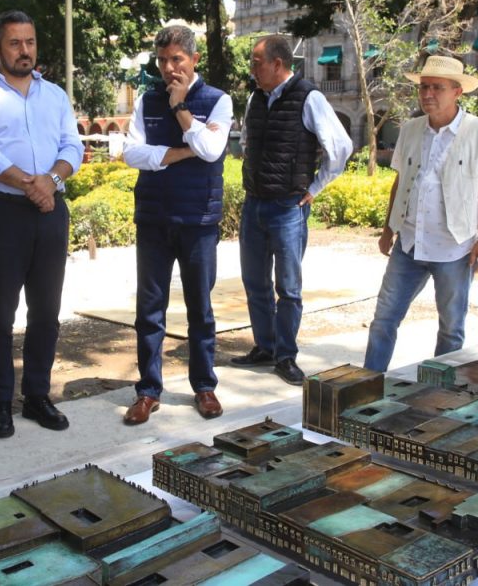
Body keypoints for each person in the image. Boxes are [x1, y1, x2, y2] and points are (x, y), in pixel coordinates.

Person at [0, 10, 83, 438]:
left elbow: (72, 146)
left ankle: (37, 396)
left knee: (46, 311)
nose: (24, 50)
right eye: (15, 43)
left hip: (51, 212)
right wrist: (31, 183)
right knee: (0, 312)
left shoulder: (56, 96)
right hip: (3, 211)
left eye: (29, 42)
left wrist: (52, 180)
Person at [121, 25, 233, 425]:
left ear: (194, 60)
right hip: (153, 219)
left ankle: (204, 386)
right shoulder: (146, 101)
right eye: (163, 61)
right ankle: (148, 391)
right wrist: (181, 153)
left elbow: (212, 148)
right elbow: (131, 153)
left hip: (198, 221)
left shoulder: (218, 100)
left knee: (199, 309)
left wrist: (182, 107)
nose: (169, 68)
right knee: (149, 310)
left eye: (177, 60)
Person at [363, 55, 478, 373]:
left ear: (457, 92)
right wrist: (388, 229)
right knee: (384, 318)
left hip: (454, 246)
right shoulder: (411, 130)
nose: (428, 94)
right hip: (410, 242)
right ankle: (367, 384)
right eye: (424, 87)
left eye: (437, 88)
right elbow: (400, 181)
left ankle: (437, 395)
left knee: (451, 328)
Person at [231, 34, 352, 385]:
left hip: (287, 207)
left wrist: (313, 189)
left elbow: (341, 147)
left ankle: (286, 355)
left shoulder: (309, 97)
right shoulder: (255, 98)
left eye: (257, 63)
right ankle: (265, 347)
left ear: (277, 64)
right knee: (254, 282)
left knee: (288, 287)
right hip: (254, 203)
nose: (252, 70)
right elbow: (247, 141)